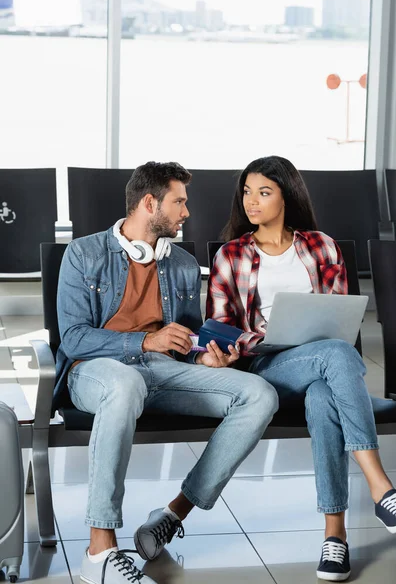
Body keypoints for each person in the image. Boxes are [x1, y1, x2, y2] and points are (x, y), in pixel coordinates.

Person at [55, 161, 279, 584]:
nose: (186, 213)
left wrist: (203, 358)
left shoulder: (178, 263)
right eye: (179, 202)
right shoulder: (83, 254)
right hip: (99, 372)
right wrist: (143, 342)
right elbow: (73, 339)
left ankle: (173, 512)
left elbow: (188, 336)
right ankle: (98, 551)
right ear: (149, 202)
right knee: (123, 384)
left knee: (259, 393)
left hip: (161, 373)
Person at [206, 155, 396, 582]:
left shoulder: (321, 246)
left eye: (263, 192)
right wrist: (248, 343)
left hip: (321, 369)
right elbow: (218, 329)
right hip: (266, 369)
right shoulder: (230, 255)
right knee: (334, 354)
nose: (251, 202)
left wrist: (316, 341)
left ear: (287, 196)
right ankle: (381, 487)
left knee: (324, 393)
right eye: (246, 192)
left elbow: (339, 318)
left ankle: (335, 537)